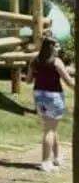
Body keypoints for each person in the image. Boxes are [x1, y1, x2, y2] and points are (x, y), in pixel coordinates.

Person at [22, 36, 75, 172]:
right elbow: (69, 82)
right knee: (50, 130)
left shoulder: (34, 60)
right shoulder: (57, 62)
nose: (59, 48)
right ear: (51, 47)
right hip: (54, 97)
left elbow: (28, 81)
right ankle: (46, 162)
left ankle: (57, 157)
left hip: (39, 96)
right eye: (57, 46)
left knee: (52, 127)